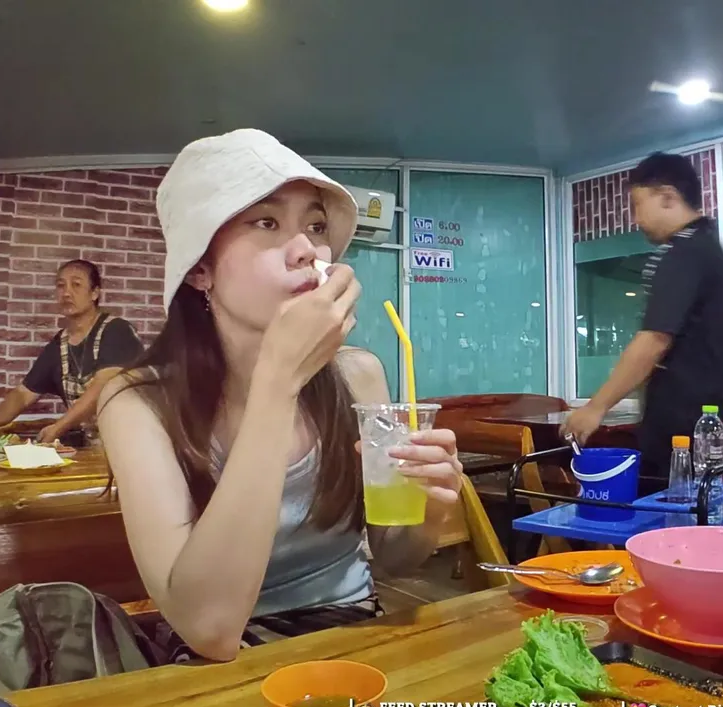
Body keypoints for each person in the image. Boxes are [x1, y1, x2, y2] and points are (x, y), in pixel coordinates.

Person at [96, 129, 464, 663]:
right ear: (199, 268)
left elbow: (393, 560)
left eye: (315, 227)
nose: (308, 251)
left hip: (355, 639)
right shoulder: (135, 403)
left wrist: (428, 512)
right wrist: (278, 380)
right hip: (218, 666)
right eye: (266, 223)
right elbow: (209, 629)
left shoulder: (358, 375)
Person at [561, 152, 723, 479]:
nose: (635, 219)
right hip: (711, 427)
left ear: (667, 197)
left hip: (677, 431)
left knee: (667, 509)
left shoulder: (682, 254)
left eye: (638, 205)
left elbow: (654, 338)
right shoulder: (715, 255)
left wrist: (596, 407)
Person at [0, 260, 144, 448]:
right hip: (96, 447)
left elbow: (102, 386)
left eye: (76, 285)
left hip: (134, 442)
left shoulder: (117, 330)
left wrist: (59, 427)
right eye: (61, 286)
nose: (66, 293)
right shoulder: (59, 346)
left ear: (94, 293)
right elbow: (23, 393)